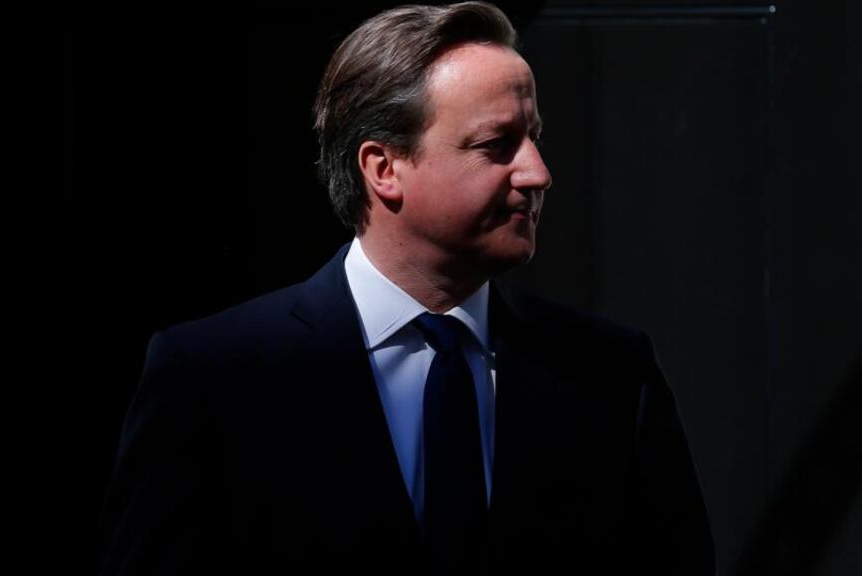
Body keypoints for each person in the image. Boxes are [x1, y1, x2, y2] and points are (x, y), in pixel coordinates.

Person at [99, 2, 714, 574]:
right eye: (496, 145)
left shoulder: (610, 375)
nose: (537, 173)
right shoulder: (213, 376)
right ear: (384, 169)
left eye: (535, 140)